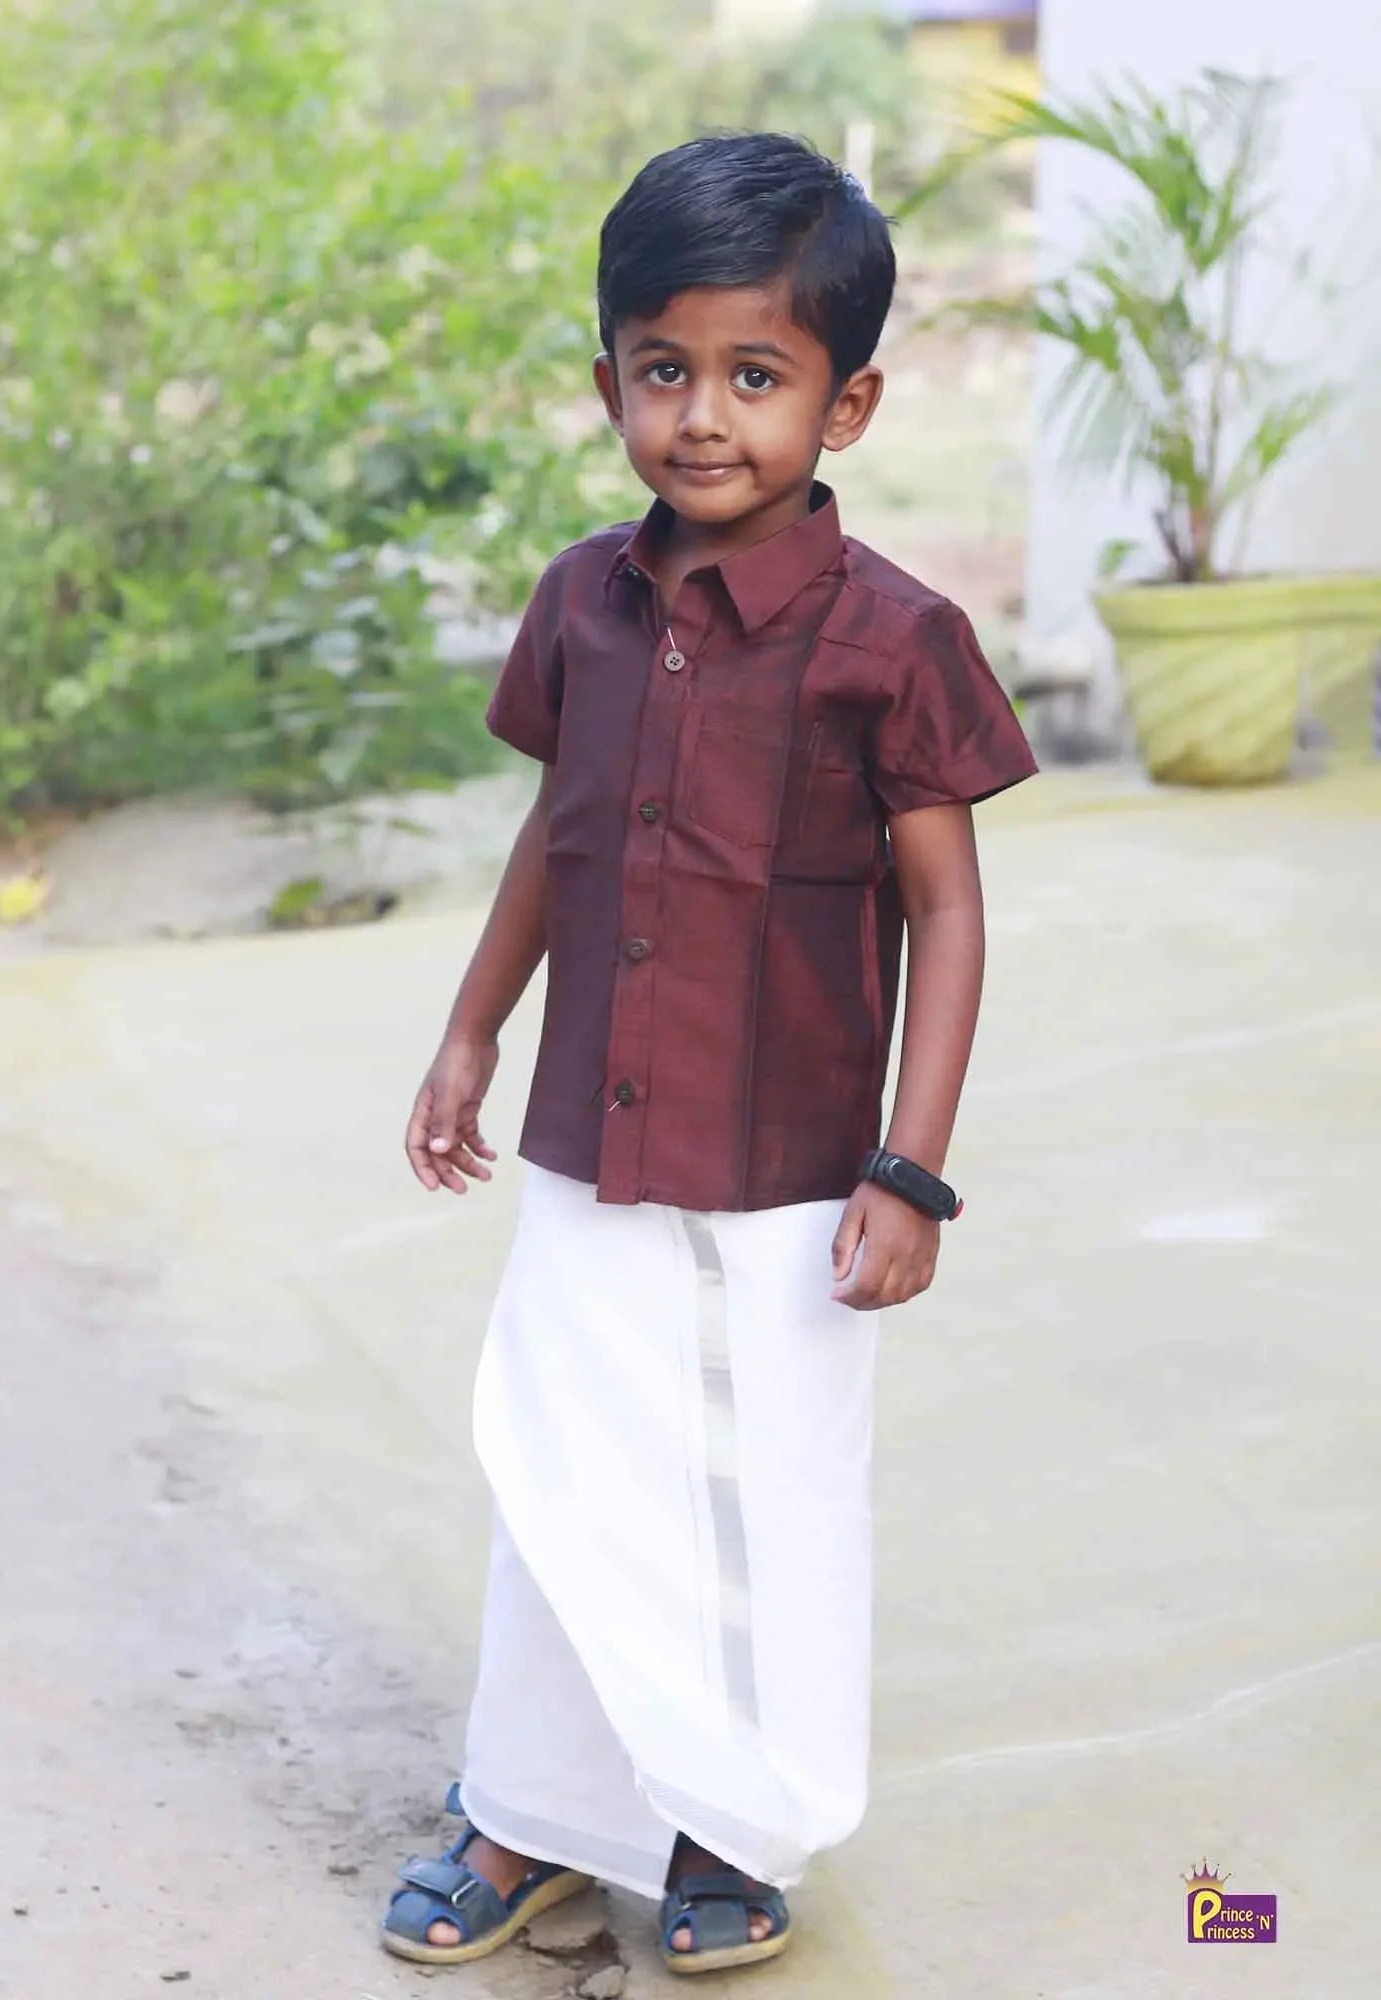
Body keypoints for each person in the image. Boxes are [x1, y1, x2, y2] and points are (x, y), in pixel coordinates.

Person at [380, 132, 1037, 1977]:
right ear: (607, 382)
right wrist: (470, 1032)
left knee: (763, 1503)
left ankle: (726, 1827)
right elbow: (559, 835)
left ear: (850, 403)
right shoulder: (581, 603)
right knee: (562, 1477)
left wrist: (911, 1170)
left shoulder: (897, 640)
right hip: (592, 1134)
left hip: (797, 1168)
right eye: (663, 369)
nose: (703, 418)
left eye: (758, 376)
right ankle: (529, 1816)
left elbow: (948, 914)